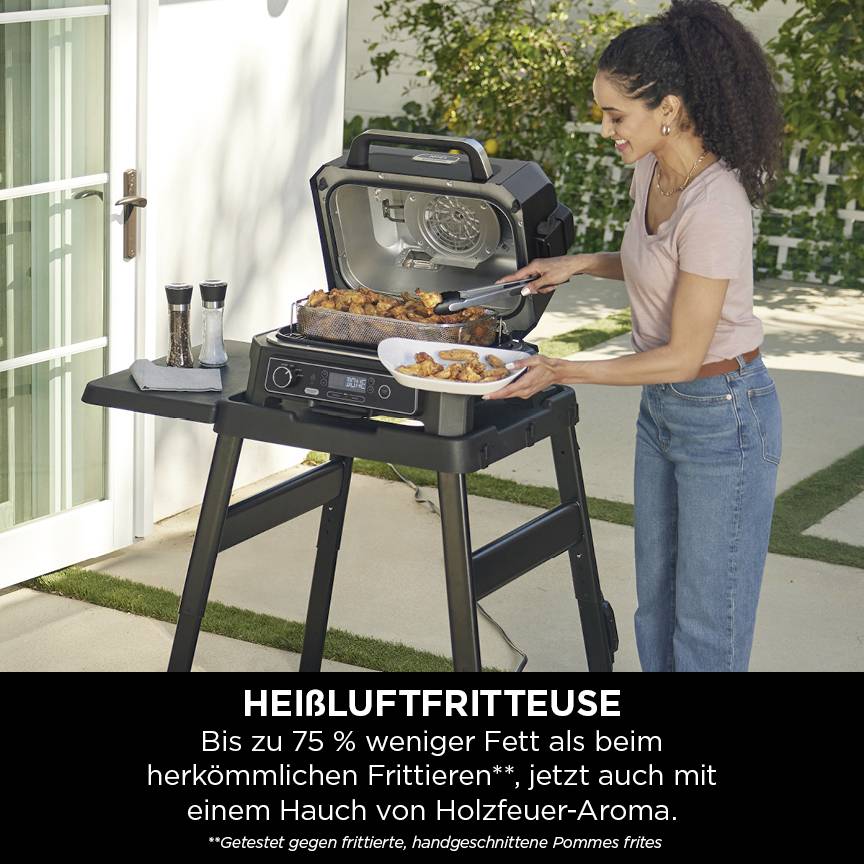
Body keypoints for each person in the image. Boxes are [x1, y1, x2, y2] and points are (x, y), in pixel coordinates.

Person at [486, 0, 784, 672]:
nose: (606, 129)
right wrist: (580, 263)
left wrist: (562, 369)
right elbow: (661, 265)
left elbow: (682, 354)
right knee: (656, 607)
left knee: (709, 624)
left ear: (669, 108)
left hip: (725, 417)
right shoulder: (650, 171)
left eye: (616, 114)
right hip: (667, 413)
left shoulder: (718, 204)